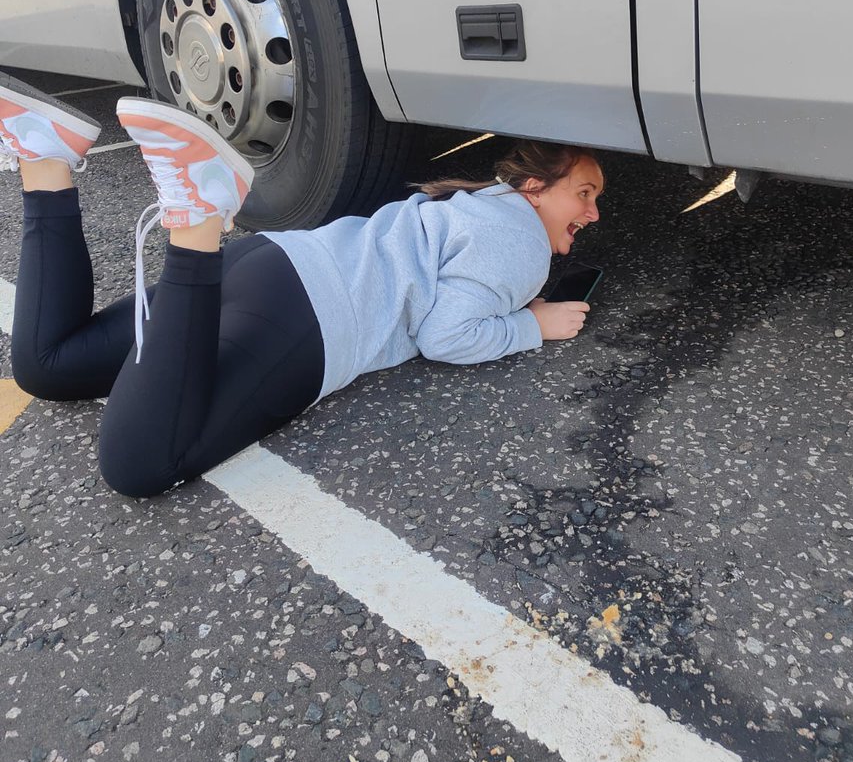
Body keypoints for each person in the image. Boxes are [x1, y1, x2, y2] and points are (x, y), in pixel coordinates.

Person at [0, 72, 603, 498]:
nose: (594, 213)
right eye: (584, 193)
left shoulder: (482, 205)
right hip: (310, 316)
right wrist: (533, 324)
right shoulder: (524, 240)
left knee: (50, 365)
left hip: (270, 263)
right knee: (139, 464)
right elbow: (447, 334)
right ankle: (198, 219)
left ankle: (45, 160)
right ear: (533, 190)